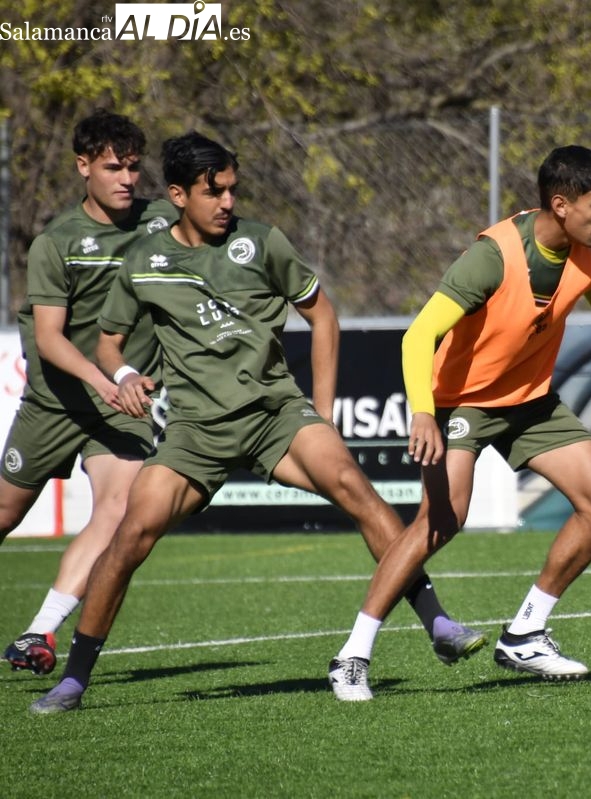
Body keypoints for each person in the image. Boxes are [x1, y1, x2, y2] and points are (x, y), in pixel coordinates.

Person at [29, 131, 481, 714]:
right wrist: (125, 377)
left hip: (276, 414)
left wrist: (323, 409)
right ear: (176, 195)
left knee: (356, 489)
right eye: (213, 192)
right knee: (128, 539)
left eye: (232, 190)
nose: (226, 203)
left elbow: (322, 316)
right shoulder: (143, 261)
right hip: (195, 434)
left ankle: (437, 622)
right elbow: (107, 343)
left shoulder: (262, 242)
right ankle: (74, 679)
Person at [326, 145, 591, 701]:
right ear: (560, 204)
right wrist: (424, 413)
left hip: (529, 400)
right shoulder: (493, 257)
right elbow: (416, 337)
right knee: (441, 521)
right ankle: (351, 657)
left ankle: (526, 632)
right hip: (461, 402)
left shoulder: (588, 247)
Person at [0, 110, 174, 676]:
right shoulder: (57, 242)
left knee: (119, 508)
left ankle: (38, 633)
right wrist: (110, 380)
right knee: (4, 514)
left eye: (132, 167)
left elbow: (223, 231)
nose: (126, 178)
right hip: (58, 400)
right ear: (83, 167)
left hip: (122, 404)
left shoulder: (162, 223)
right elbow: (49, 339)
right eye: (111, 167)